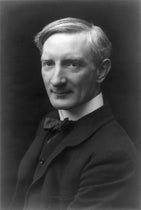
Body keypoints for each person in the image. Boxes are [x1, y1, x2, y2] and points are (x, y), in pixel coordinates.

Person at [10, 17, 139, 210]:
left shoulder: (114, 155)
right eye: (48, 64)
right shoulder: (51, 120)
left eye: (73, 64)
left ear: (101, 71)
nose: (56, 80)